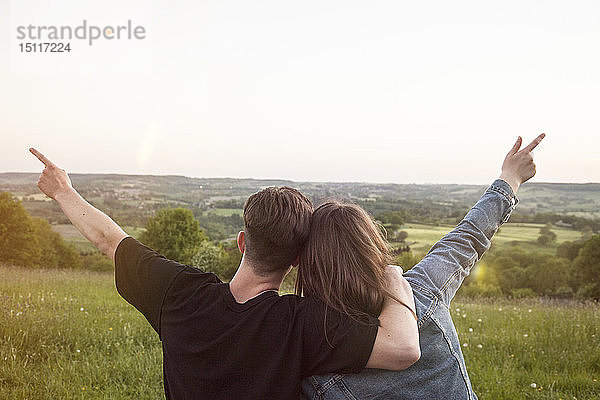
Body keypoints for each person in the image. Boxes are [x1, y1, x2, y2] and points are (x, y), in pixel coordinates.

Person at [28, 148, 420, 400]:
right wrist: (392, 277)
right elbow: (404, 349)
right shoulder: (302, 323)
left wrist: (62, 190)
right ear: (296, 259)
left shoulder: (178, 293)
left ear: (242, 241)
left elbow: (109, 240)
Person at [298, 134, 545, 400]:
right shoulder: (422, 290)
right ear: (372, 248)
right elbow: (470, 235)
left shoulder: (315, 360)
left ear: (311, 267)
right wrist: (510, 178)